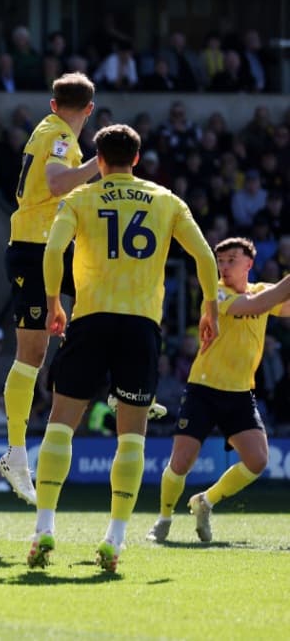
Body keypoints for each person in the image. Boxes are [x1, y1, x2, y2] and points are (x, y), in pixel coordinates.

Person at [27, 123, 219, 573]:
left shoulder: (80, 198)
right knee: (131, 436)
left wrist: (55, 301)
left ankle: (44, 529)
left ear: (98, 158)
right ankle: (114, 539)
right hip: (140, 327)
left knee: (60, 427)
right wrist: (209, 307)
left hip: (92, 320)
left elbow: (52, 251)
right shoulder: (166, 199)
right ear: (136, 157)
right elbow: (205, 257)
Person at [0, 73, 101, 505]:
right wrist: (104, 161)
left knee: (102, 303)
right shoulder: (58, 136)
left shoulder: (52, 130)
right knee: (32, 353)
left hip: (53, 249)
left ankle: (125, 384)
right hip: (35, 249)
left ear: (55, 102)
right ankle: (16, 453)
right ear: (89, 110)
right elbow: (59, 182)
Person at [148, 238, 290, 544]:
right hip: (203, 389)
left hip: (240, 393)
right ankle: (164, 518)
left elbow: (283, 304)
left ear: (248, 264)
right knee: (181, 462)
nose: (223, 267)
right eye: (220, 260)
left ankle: (205, 502)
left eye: (231, 260)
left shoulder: (262, 290)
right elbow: (257, 306)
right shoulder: (216, 292)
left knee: (258, 461)